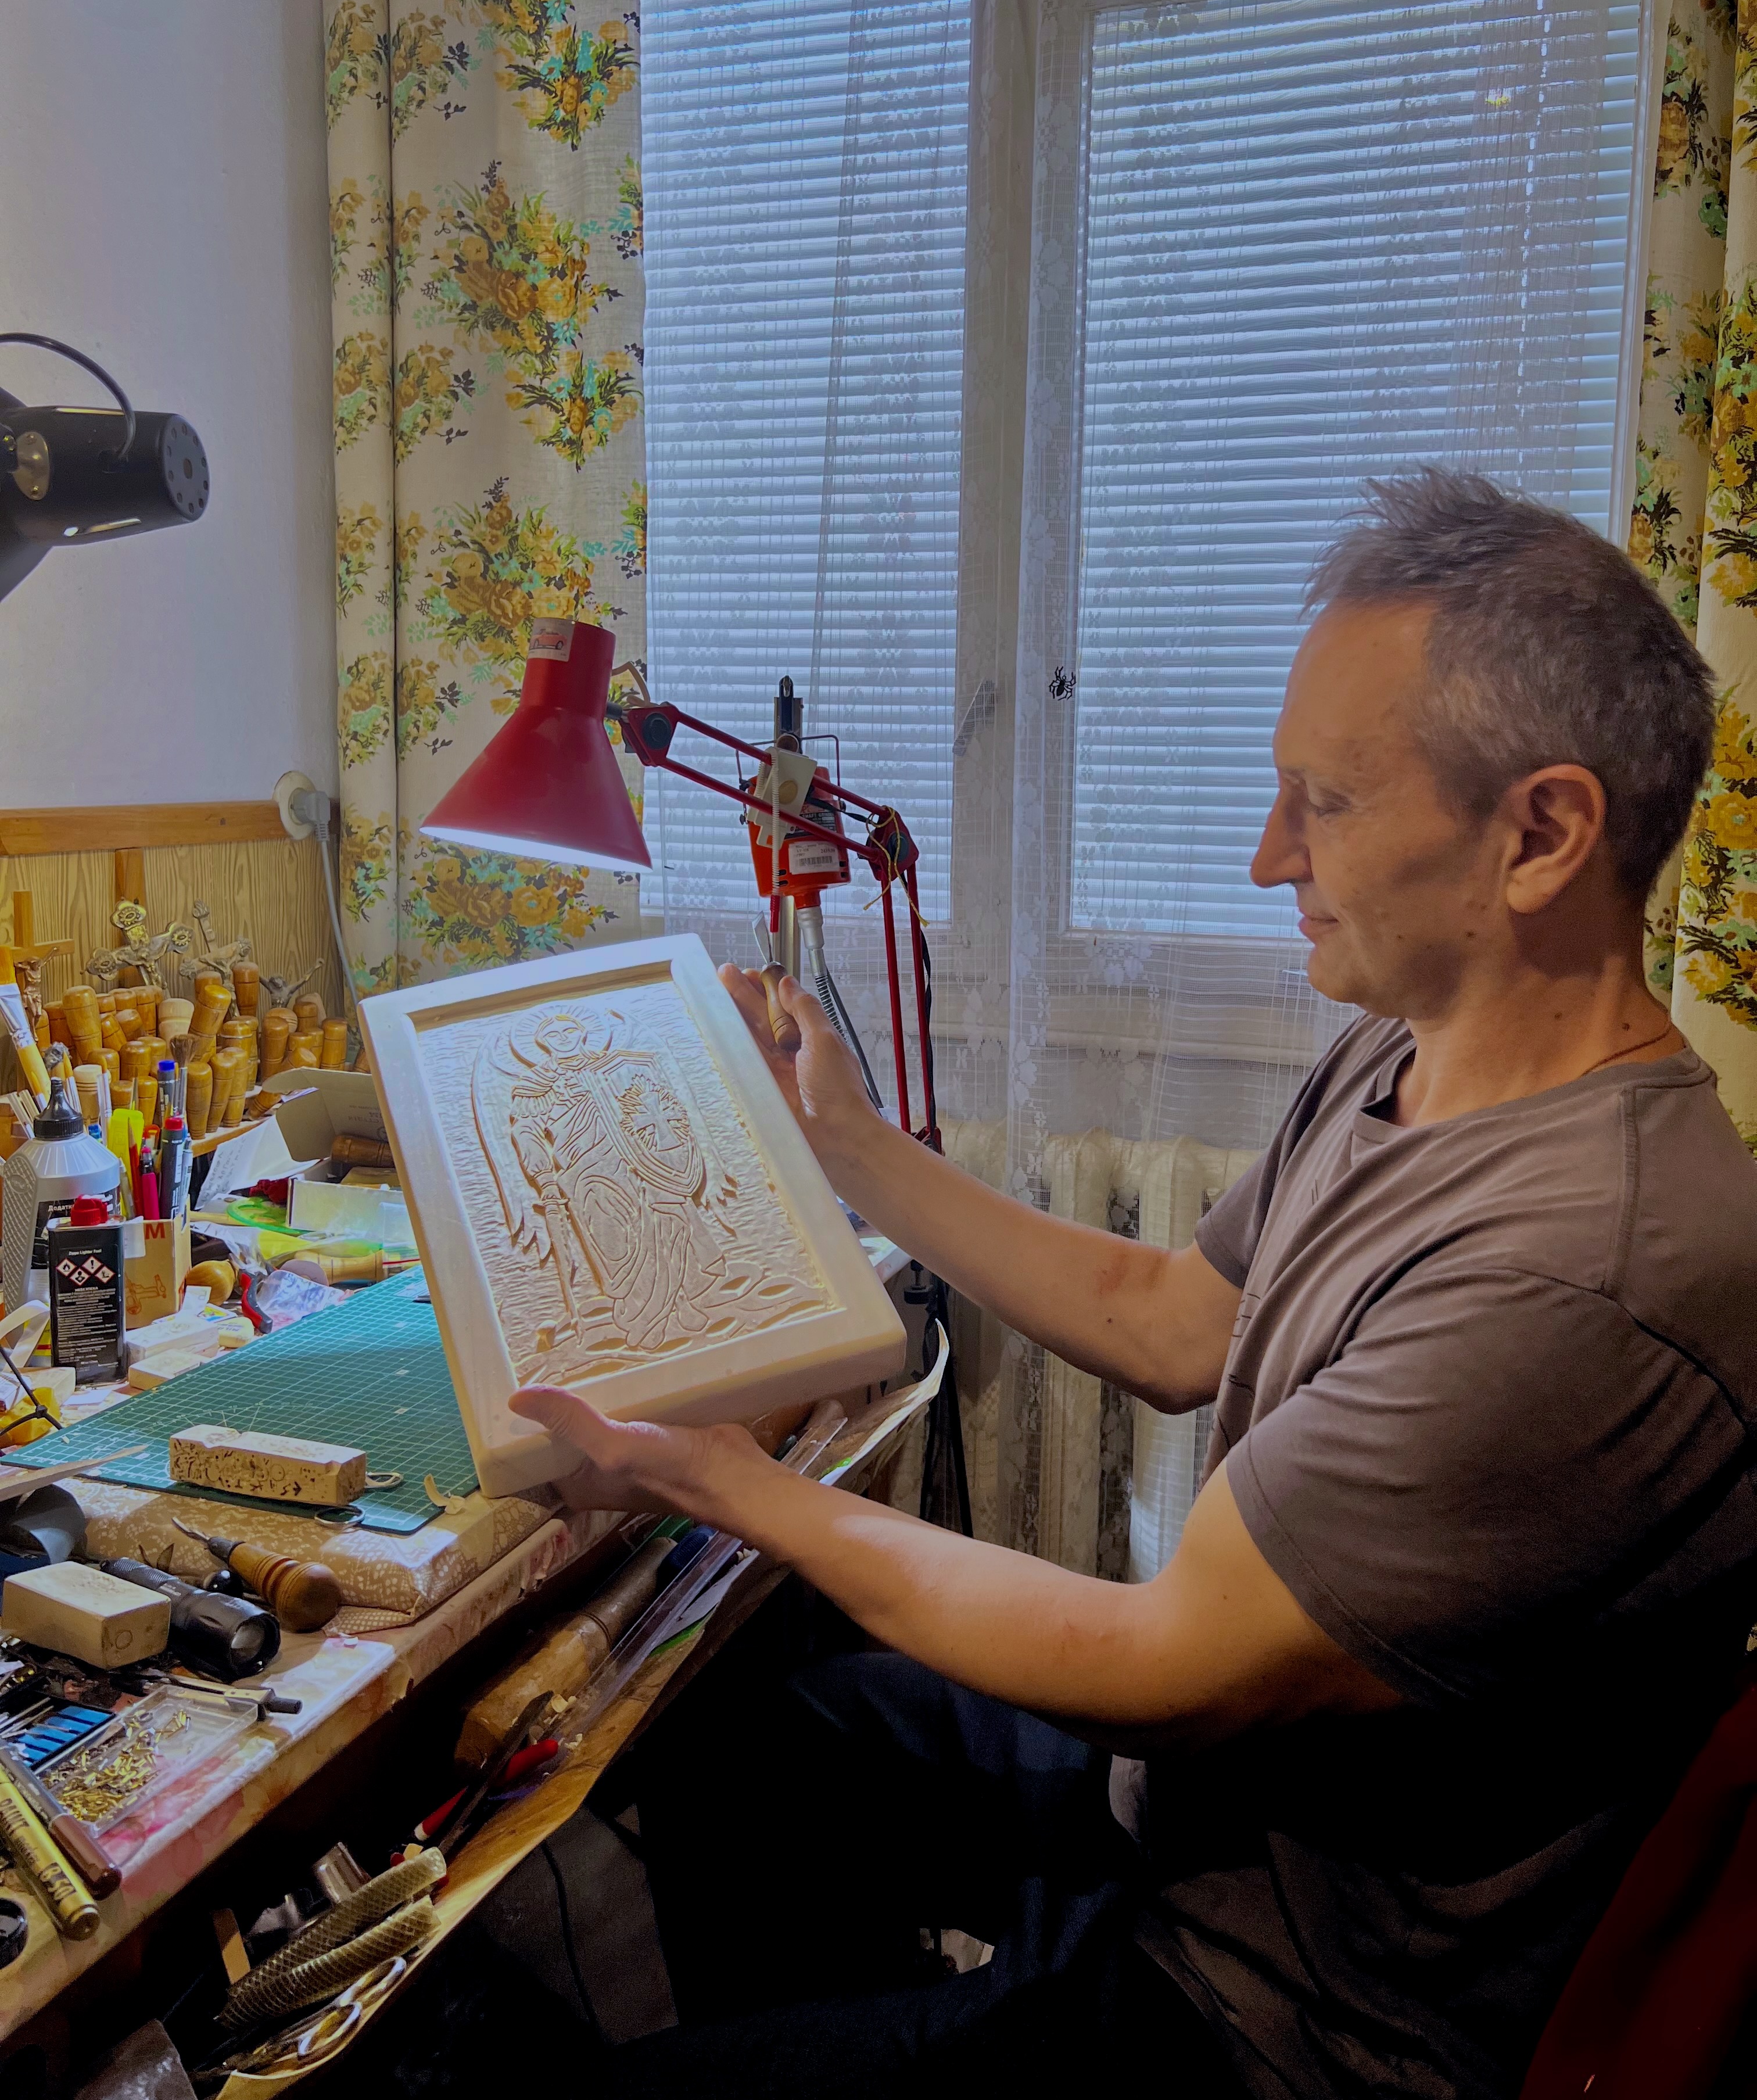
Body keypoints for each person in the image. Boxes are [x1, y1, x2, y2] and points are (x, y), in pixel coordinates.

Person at [511, 469, 1757, 2100]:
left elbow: (1159, 1661)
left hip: (1281, 2015)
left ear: (1542, 835)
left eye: (1325, 803)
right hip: (1195, 1830)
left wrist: (731, 1484)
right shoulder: (1410, 1055)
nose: (1264, 859)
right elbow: (1176, 1320)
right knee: (752, 1753)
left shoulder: (1590, 1268)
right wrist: (855, 1148)